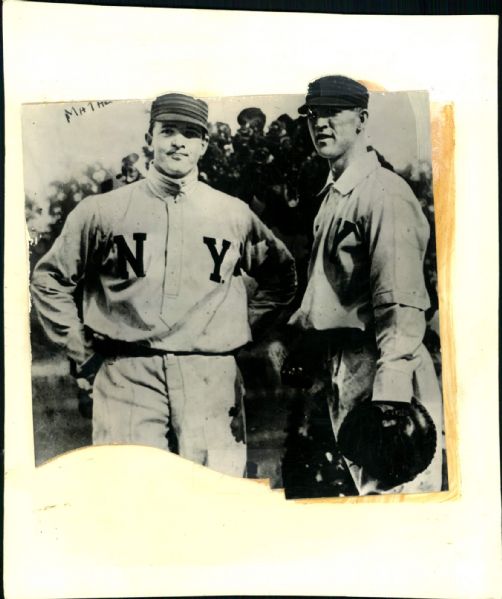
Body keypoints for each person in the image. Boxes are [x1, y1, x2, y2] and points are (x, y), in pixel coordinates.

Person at [31, 92, 297, 477]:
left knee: (214, 500)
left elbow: (282, 274)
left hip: (210, 376)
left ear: (203, 144)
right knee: (133, 500)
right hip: (128, 374)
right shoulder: (103, 210)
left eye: (190, 134)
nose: (178, 142)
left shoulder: (232, 214)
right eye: (168, 131)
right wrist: (83, 352)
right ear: (149, 138)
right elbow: (49, 279)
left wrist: (239, 328)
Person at [284, 75, 444, 495]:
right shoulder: (334, 197)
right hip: (346, 363)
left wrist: (391, 396)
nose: (321, 123)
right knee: (369, 498)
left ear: (361, 119)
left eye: (333, 112)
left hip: (384, 359)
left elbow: (401, 300)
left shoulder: (384, 194)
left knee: (398, 496)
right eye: (313, 114)